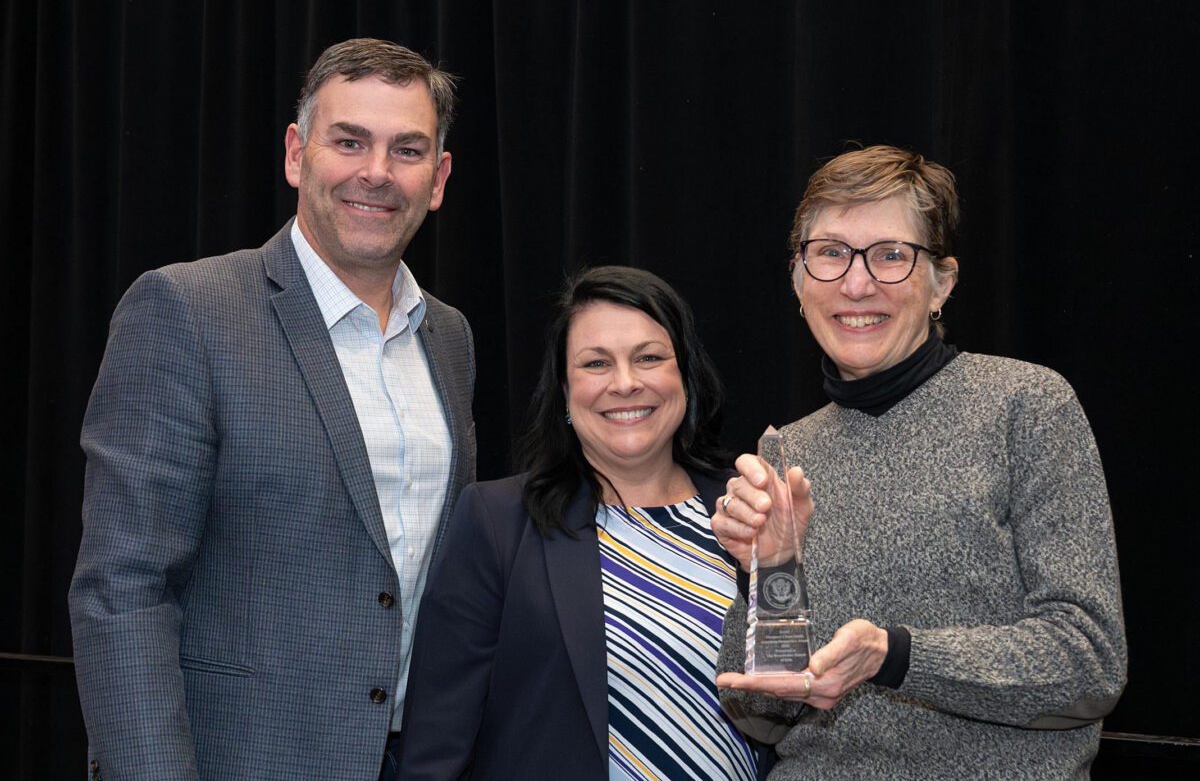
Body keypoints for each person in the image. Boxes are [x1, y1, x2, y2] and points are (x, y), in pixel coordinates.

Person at [68, 38, 475, 781]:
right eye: (349, 141)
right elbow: (123, 588)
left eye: (407, 149)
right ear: (297, 154)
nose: (376, 173)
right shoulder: (187, 310)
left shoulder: (448, 337)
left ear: (439, 177)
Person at [712, 145, 1127, 778]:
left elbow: (1090, 664)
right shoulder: (784, 452)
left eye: (890, 255)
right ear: (799, 282)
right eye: (830, 254)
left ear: (942, 284)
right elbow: (761, 710)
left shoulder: (1026, 406)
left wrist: (895, 655)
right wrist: (769, 580)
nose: (856, 283)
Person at [398, 266, 772, 780]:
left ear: (684, 374)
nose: (625, 383)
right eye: (596, 363)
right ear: (566, 392)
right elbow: (436, 744)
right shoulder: (497, 522)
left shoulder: (750, 506)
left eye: (649, 358)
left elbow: (792, 697)